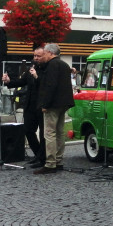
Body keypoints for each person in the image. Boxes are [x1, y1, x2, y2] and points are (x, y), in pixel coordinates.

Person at [35, 43, 74, 175]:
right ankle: (59, 160)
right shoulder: (64, 64)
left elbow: (50, 86)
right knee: (60, 132)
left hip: (53, 104)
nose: (43, 55)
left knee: (49, 133)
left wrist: (45, 104)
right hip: (63, 103)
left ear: (51, 53)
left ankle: (50, 163)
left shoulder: (52, 65)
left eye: (45, 53)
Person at [2, 48, 44, 168]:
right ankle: (38, 155)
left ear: (44, 56)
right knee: (28, 131)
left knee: (43, 133)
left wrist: (36, 77)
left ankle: (44, 158)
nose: (36, 58)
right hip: (30, 105)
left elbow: (46, 85)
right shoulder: (31, 68)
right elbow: (21, 82)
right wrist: (9, 81)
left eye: (38, 56)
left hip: (41, 105)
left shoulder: (46, 69)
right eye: (34, 55)